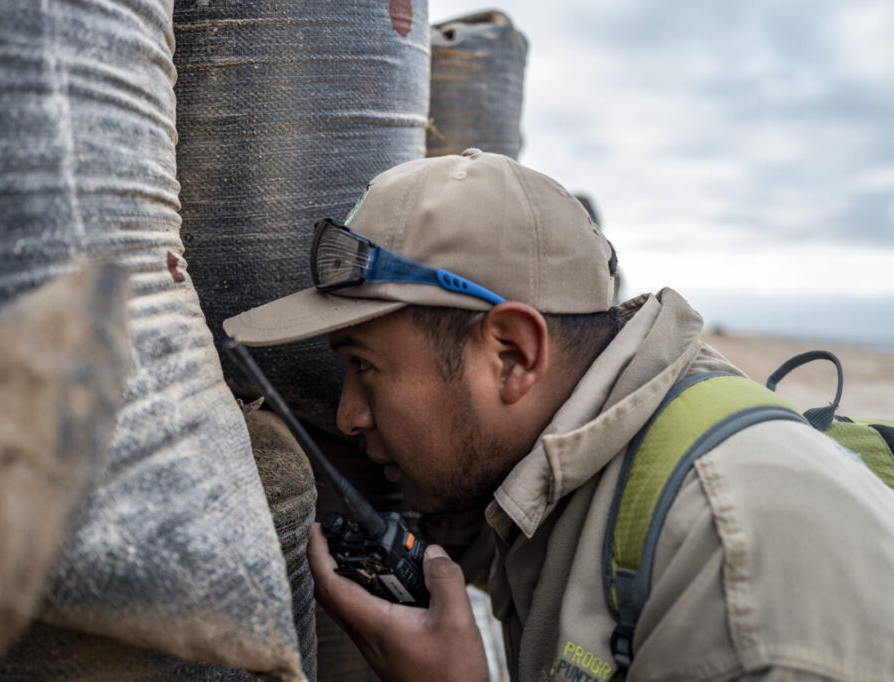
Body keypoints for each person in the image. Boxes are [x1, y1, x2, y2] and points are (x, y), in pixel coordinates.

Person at [223, 149, 894, 681]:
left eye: (364, 366)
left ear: (512, 355)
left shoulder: (740, 597)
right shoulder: (575, 450)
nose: (347, 416)